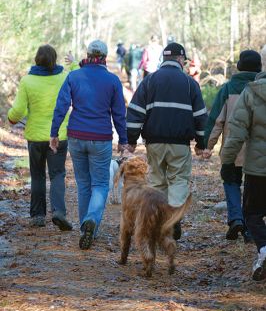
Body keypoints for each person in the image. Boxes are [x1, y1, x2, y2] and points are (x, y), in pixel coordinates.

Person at [50, 40, 128, 250]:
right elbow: (119, 113)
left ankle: (87, 224)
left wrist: (54, 132)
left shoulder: (74, 76)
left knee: (84, 184)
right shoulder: (112, 80)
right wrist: (123, 139)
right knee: (100, 184)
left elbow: (61, 105)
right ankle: (91, 221)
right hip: (101, 138)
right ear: (104, 57)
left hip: (76, 136)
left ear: (88, 54)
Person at [126, 42, 208, 240]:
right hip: (180, 144)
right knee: (179, 180)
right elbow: (200, 116)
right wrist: (201, 143)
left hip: (154, 143)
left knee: (157, 181)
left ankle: (158, 218)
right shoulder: (190, 83)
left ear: (164, 59)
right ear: (180, 59)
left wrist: (131, 139)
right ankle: (173, 217)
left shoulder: (150, 81)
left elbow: (136, 112)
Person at [7, 45, 72, 231]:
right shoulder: (64, 77)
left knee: (37, 175)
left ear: (37, 59)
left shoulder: (27, 80)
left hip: (35, 137)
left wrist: (11, 117)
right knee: (58, 174)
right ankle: (59, 211)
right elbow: (78, 77)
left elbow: (18, 111)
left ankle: (37, 216)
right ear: (54, 59)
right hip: (58, 135)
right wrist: (74, 62)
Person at [204, 50, 262, 243]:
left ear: (239, 66)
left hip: (233, 148)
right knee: (252, 188)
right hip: (257, 152)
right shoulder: (260, 87)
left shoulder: (228, 88)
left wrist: (207, 145)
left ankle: (236, 218)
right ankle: (248, 227)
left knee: (231, 182)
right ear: (260, 67)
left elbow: (216, 120)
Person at [221, 46, 266, 281]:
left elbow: (236, 132)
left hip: (258, 170)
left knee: (253, 214)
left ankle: (264, 250)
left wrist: (227, 160)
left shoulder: (251, 92)